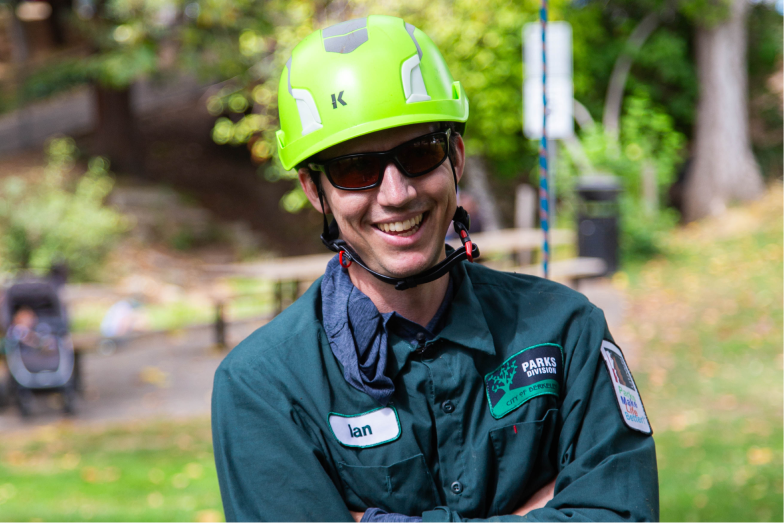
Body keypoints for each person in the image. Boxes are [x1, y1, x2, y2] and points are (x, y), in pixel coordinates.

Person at [212, 15, 658, 523]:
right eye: (355, 170)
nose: (397, 194)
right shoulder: (265, 386)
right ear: (315, 191)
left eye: (420, 154)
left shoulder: (565, 330)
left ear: (456, 159)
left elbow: (622, 514)